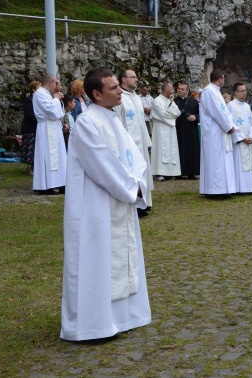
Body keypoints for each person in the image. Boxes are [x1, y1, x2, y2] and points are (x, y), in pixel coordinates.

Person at [61, 67, 151, 342]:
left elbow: (134, 155)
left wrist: (136, 180)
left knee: (122, 256)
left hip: (119, 199)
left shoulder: (112, 118)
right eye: (113, 88)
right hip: (95, 206)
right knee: (95, 258)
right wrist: (130, 187)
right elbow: (101, 164)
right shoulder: (87, 123)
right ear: (97, 94)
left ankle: (123, 316)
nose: (120, 91)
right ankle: (92, 325)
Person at [114, 69, 154, 217]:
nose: (136, 79)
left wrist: (146, 141)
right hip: (129, 144)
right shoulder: (120, 98)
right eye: (133, 77)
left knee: (143, 171)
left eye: (137, 76)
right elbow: (118, 121)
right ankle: (135, 204)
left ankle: (145, 202)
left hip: (141, 142)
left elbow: (141, 123)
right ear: (123, 79)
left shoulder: (136, 98)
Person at [199, 71, 237, 197]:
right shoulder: (209, 92)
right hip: (213, 133)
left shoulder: (216, 92)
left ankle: (224, 188)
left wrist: (232, 125)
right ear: (220, 78)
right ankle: (214, 190)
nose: (224, 80)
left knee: (223, 160)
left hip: (221, 131)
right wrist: (228, 127)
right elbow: (216, 112)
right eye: (223, 78)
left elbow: (225, 111)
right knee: (215, 161)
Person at [33, 74, 67, 195]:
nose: (57, 86)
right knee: (48, 156)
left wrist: (57, 100)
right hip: (46, 128)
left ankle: (61, 183)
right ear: (50, 83)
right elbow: (51, 111)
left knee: (60, 157)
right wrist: (56, 99)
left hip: (54, 128)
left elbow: (59, 113)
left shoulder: (47, 95)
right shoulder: (39, 94)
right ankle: (47, 185)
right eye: (56, 83)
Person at [228, 82, 252, 194]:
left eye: (245, 90)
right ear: (235, 93)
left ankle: (249, 187)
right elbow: (232, 123)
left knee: (249, 163)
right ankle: (240, 188)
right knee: (239, 164)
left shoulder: (246, 106)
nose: (244, 93)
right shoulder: (231, 105)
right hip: (239, 142)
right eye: (242, 91)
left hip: (248, 140)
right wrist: (241, 138)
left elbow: (251, 122)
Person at [150, 82, 181, 180]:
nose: (173, 90)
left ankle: (171, 172)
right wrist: (172, 117)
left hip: (171, 129)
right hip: (161, 128)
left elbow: (177, 113)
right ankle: (160, 172)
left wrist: (171, 104)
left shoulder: (170, 100)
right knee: (161, 148)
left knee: (171, 149)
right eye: (172, 88)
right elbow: (162, 115)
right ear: (166, 89)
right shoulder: (157, 101)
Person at [174, 81, 200, 179]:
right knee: (179, 150)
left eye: (182, 89)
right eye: (179, 89)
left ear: (187, 91)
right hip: (179, 129)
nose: (180, 90)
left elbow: (200, 114)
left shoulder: (193, 102)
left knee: (191, 150)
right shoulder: (174, 101)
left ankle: (191, 172)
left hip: (191, 130)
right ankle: (179, 172)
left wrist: (195, 117)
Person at [21, 81, 40, 173]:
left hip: (38, 127)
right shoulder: (28, 100)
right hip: (30, 128)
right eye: (38, 88)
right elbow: (30, 114)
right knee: (31, 148)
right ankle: (32, 168)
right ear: (33, 89)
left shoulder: (39, 99)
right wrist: (40, 120)